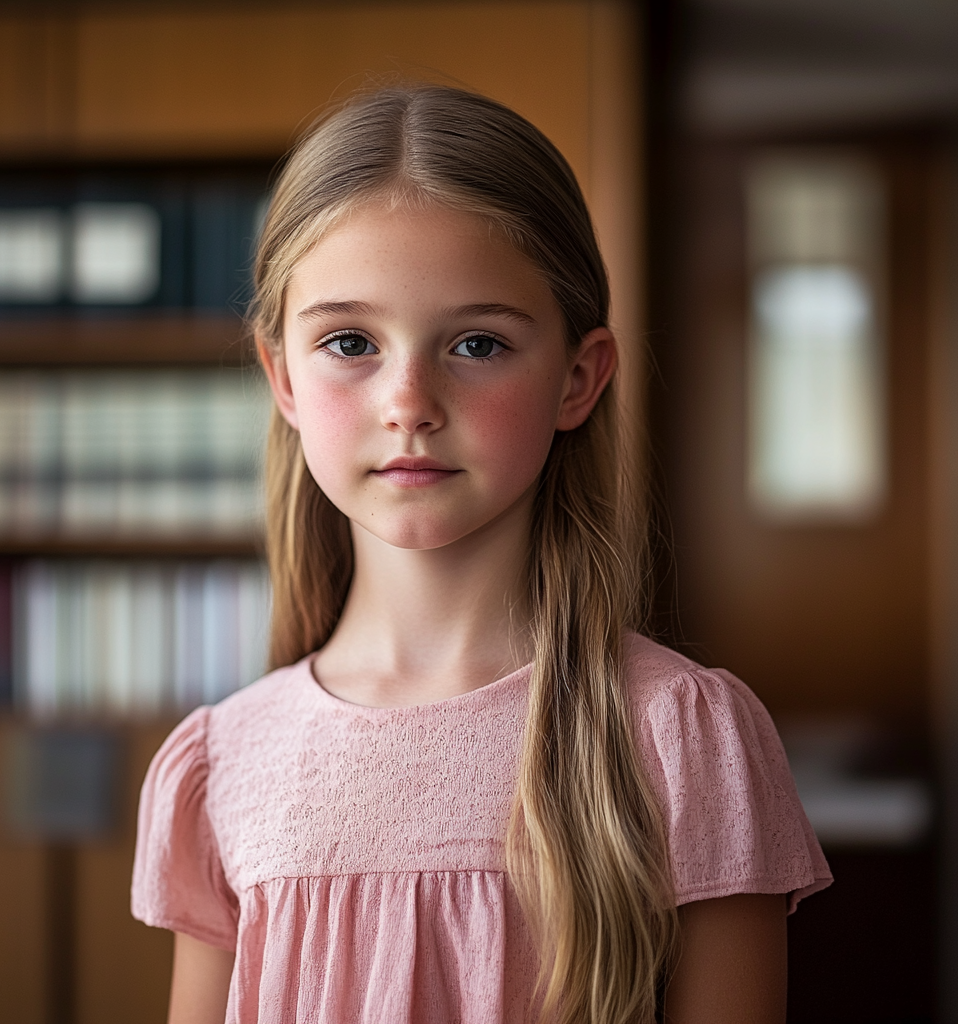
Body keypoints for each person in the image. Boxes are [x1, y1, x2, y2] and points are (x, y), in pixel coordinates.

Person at [131, 85, 831, 1024]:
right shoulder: (222, 764)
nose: (409, 400)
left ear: (578, 379)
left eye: (476, 342)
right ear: (282, 377)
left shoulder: (678, 737)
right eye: (350, 342)